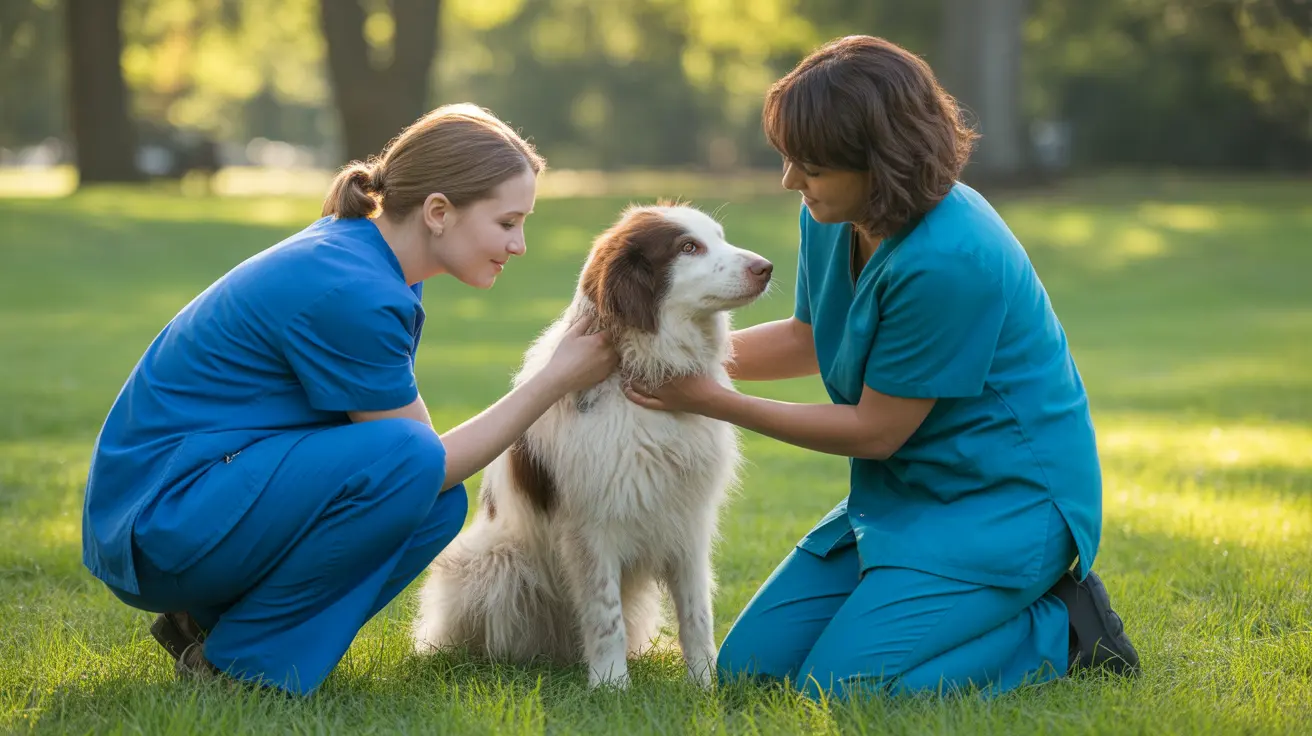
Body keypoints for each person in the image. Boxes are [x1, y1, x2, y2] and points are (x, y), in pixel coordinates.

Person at [625, 35, 1140, 700]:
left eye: (809, 164)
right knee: (749, 669)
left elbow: (875, 431)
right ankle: (915, 598)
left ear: (880, 161)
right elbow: (808, 339)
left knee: (839, 689)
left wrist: (709, 397)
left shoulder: (951, 258)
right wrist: (646, 357)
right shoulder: (833, 211)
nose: (790, 181)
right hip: (902, 492)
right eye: (789, 158)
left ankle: (1060, 630)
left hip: (1005, 502)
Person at [80, 104, 619, 696]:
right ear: (438, 212)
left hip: (193, 503)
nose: (518, 245)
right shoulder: (353, 289)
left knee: (433, 506)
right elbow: (422, 459)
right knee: (413, 464)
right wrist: (552, 380)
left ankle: (210, 630)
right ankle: (242, 669)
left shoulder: (369, 260)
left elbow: (420, 475)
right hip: (161, 527)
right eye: (507, 222)